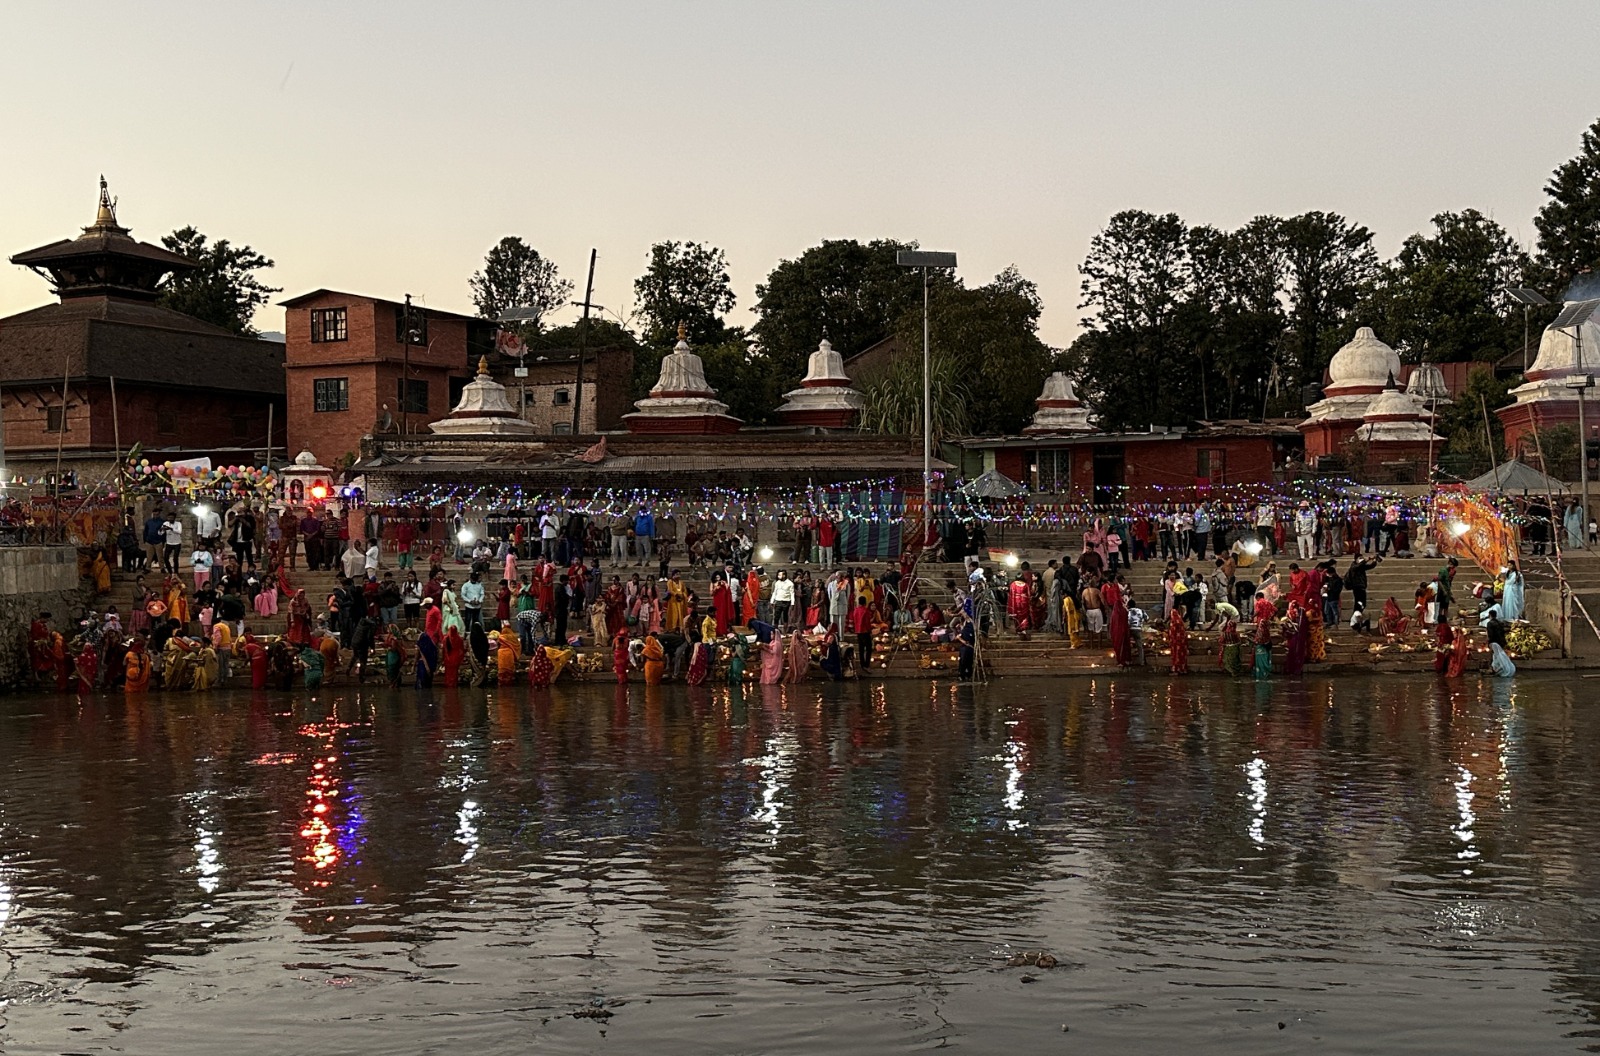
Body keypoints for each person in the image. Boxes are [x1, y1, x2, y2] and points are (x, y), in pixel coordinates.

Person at [1252, 591, 1275, 679]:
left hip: (1260, 622)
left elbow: (1257, 612)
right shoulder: (1268, 603)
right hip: (1267, 623)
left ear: (1257, 597)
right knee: (1266, 635)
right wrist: (1271, 617)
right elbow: (1275, 610)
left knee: (1260, 637)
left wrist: (1252, 616)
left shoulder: (1259, 602)